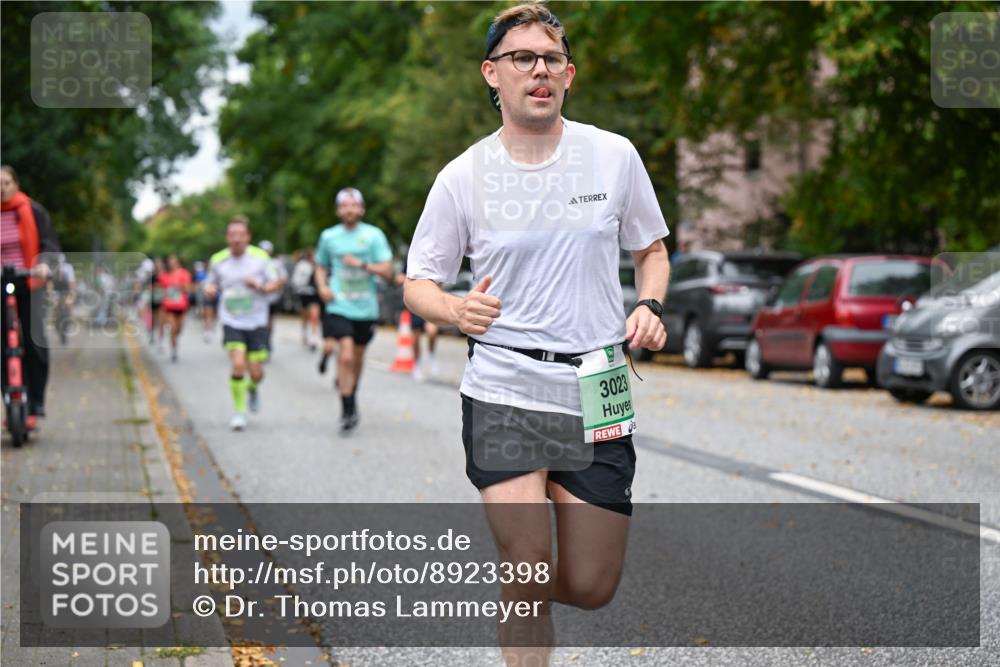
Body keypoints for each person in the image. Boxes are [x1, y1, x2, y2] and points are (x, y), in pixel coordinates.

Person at [403, 5, 670, 665]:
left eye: (550, 58)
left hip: (599, 381)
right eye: (522, 58)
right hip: (504, 383)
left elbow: (653, 250)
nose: (538, 70)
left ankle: (521, 591)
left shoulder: (613, 157)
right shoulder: (463, 176)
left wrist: (651, 304)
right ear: (492, 74)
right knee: (526, 567)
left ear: (570, 74)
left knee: (590, 583)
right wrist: (453, 310)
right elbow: (418, 282)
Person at [314, 187, 393, 434]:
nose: (349, 209)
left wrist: (360, 264)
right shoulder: (329, 237)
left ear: (361, 208)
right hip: (339, 304)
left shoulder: (373, 236)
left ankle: (351, 395)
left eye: (353, 205)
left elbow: (387, 271)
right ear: (339, 210)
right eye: (344, 205)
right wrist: (322, 286)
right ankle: (347, 410)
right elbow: (320, 265)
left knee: (357, 358)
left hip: (365, 307)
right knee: (346, 354)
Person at [203, 216, 282, 431]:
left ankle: (252, 388)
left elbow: (276, 283)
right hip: (231, 320)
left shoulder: (260, 258)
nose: (236, 239)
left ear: (248, 237)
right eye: (232, 235)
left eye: (241, 235)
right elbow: (210, 283)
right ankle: (239, 412)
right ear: (227, 237)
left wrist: (260, 286)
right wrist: (209, 289)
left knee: (257, 372)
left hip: (257, 321)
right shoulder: (218, 260)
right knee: (238, 364)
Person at [1, 165, 61, 430]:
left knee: (35, 341)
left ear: (16, 184)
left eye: (6, 183)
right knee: (3, 344)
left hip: (29, 280)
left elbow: (48, 244)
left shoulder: (33, 211)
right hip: (2, 282)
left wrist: (45, 264)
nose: (2, 188)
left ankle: (36, 401)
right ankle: (11, 397)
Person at [396, 259, 439, 382]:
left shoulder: (434, 256)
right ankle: (417, 365)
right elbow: (399, 277)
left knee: (432, 331)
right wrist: (411, 282)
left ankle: (430, 356)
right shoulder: (412, 257)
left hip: (431, 300)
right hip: (415, 301)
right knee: (416, 337)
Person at [158, 254, 193, 362]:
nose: (171, 263)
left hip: (181, 306)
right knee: (173, 328)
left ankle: (174, 340)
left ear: (177, 262)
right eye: (170, 261)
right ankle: (173, 351)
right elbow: (160, 289)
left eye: (173, 261)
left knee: (179, 330)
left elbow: (188, 289)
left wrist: (180, 286)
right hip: (168, 306)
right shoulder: (164, 275)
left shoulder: (184, 274)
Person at [258, 240, 288, 356]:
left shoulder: (276, 263)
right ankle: (259, 342)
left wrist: (275, 286)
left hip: (272, 298)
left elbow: (283, 278)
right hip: (258, 299)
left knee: (269, 321)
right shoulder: (254, 262)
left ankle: (267, 341)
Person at [291, 247, 321, 350]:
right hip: (304, 294)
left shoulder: (319, 266)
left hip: (315, 294)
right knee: (305, 315)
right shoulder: (302, 266)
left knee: (314, 315)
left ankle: (313, 338)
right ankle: (305, 333)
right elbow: (295, 280)